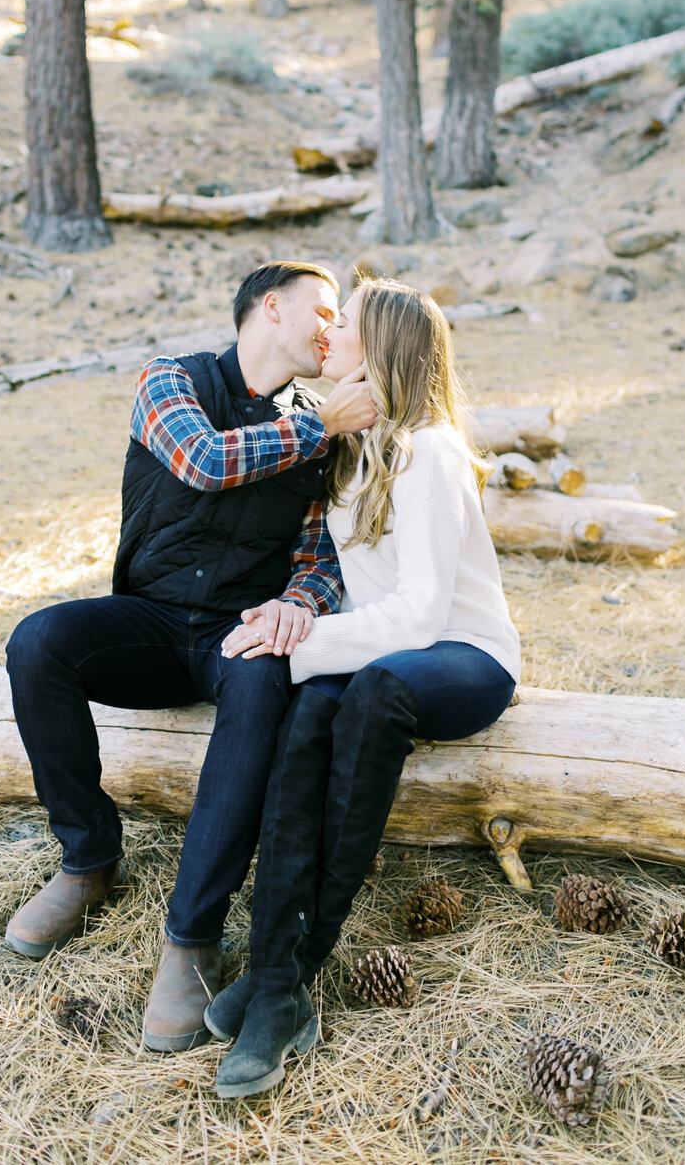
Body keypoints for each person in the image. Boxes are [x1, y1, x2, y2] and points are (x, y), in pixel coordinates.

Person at [3, 260, 379, 1053]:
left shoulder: (321, 425)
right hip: (146, 619)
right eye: (323, 310)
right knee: (38, 642)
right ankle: (87, 858)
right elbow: (205, 462)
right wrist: (323, 426)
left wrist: (295, 604)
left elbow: (323, 554)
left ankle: (192, 936)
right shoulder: (169, 382)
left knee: (262, 684)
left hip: (232, 630)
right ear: (270, 307)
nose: (330, 328)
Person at [204, 277, 522, 1099]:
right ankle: (277, 977)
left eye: (341, 324)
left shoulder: (432, 451)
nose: (327, 333)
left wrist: (298, 648)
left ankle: (291, 972)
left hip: (462, 657)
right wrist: (290, 625)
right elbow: (350, 593)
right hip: (373, 649)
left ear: (378, 348)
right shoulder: (350, 451)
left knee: (366, 691)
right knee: (309, 721)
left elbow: (419, 617)